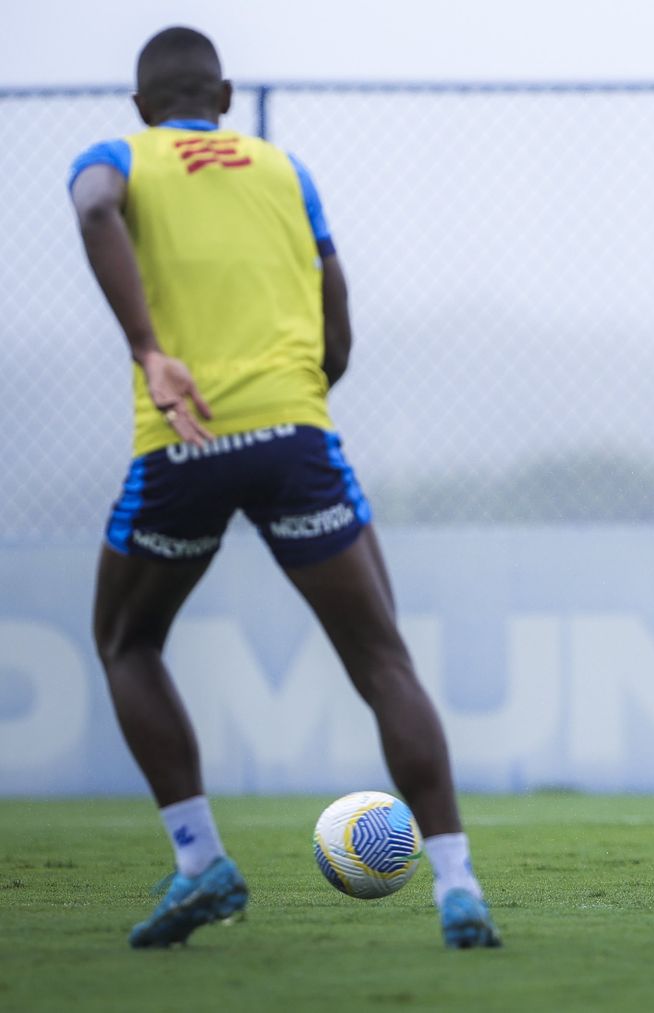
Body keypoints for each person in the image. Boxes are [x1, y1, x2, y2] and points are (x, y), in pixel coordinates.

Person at [69, 26, 500, 949]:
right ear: (222, 94)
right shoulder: (285, 169)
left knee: (125, 640)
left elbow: (96, 211)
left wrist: (152, 351)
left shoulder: (118, 157)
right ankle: (458, 886)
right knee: (383, 659)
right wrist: (293, 403)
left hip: (182, 439)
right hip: (295, 434)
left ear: (144, 107)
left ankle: (200, 861)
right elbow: (336, 326)